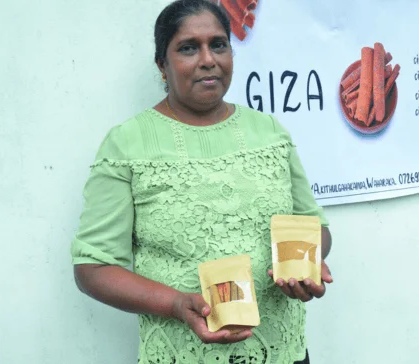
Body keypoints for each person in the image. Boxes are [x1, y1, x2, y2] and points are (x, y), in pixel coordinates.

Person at [71, 1, 333, 363]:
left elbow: (314, 225)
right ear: (162, 65)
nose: (208, 59)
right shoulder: (127, 143)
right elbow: (93, 268)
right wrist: (178, 304)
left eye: (219, 44)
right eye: (188, 48)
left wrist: (304, 266)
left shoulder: (269, 132)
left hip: (283, 352)